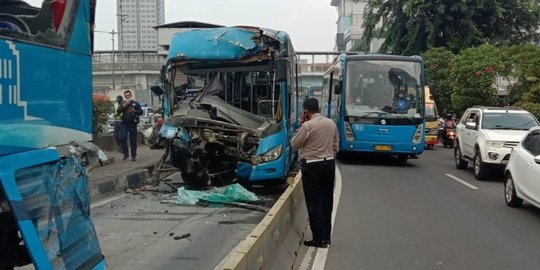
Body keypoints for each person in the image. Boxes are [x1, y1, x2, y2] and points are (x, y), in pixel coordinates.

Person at [291, 98, 339, 248]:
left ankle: (318, 239)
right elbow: (336, 145)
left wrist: (301, 124)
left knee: (314, 203)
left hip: (312, 166)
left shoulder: (307, 126)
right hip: (329, 164)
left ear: (306, 111)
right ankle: (326, 236)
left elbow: (295, 144)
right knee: (327, 201)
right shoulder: (331, 123)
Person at [116, 90, 143, 161]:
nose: (127, 96)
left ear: (131, 95)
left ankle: (133, 155)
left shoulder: (136, 103)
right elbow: (118, 112)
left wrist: (135, 111)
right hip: (124, 124)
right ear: (124, 96)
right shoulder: (123, 103)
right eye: (126, 96)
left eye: (128, 95)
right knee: (122, 138)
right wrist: (123, 106)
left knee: (133, 141)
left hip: (133, 124)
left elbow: (141, 112)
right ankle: (125, 154)